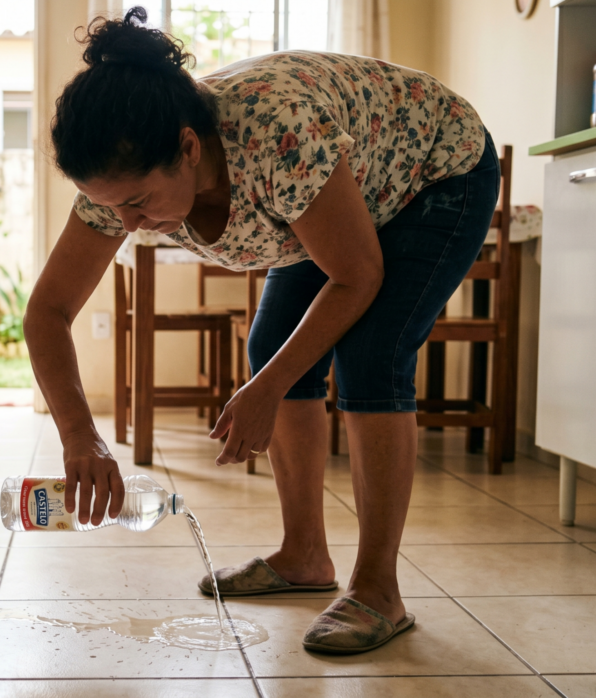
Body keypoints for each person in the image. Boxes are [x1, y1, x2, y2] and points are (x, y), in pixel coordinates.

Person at [24, 7, 497, 654]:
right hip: (346, 191)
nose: (126, 224)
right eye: (111, 208)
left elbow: (356, 274)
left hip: (433, 171)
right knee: (272, 348)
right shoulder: (119, 173)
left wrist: (267, 390)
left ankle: (379, 589)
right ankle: (304, 555)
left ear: (189, 148)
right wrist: (79, 435)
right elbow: (47, 312)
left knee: (371, 357)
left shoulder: (275, 131)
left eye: (136, 203)